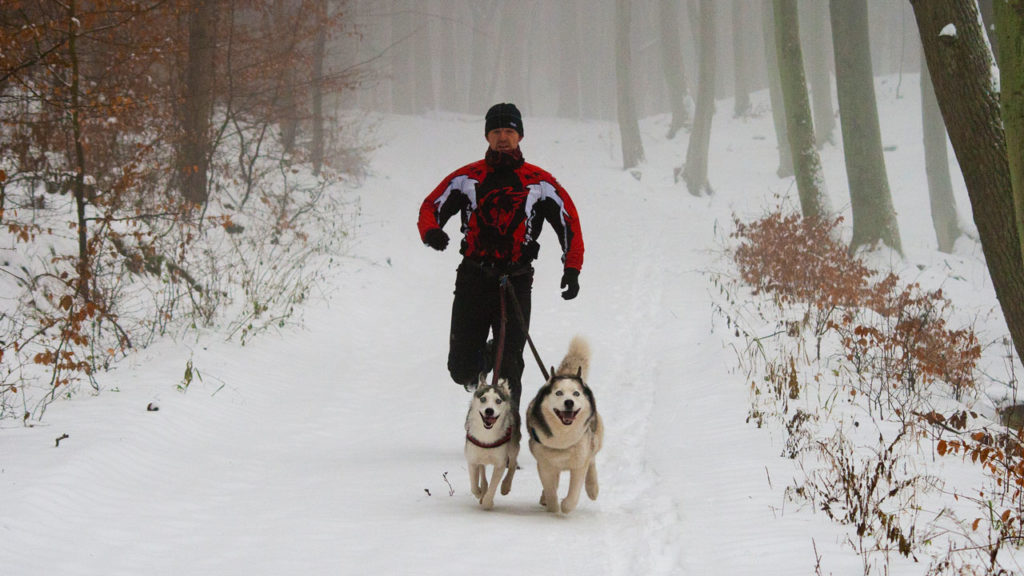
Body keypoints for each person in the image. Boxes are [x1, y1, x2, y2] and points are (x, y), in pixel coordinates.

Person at [417, 103, 584, 410]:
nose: (503, 138)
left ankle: (510, 439)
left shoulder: (540, 182)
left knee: (509, 367)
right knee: (460, 370)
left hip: (516, 281)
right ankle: (483, 357)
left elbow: (569, 222)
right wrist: (432, 232)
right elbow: (431, 206)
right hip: (473, 278)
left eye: (509, 131)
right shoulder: (467, 177)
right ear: (487, 136)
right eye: (496, 131)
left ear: (519, 135)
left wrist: (571, 268)